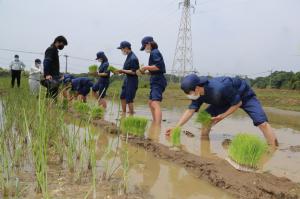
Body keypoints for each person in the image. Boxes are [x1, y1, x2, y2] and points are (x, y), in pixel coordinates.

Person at [166, 74, 278, 147]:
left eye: (189, 93)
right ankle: (204, 145)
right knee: (205, 119)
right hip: (222, 101)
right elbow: (190, 111)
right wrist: (176, 127)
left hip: (244, 95)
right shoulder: (198, 94)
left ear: (196, 88)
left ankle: (273, 147)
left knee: (262, 123)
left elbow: (238, 103)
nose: (189, 96)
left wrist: (222, 116)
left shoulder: (219, 87)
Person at [139, 36, 167, 124]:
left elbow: (158, 67)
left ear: (149, 44)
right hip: (155, 79)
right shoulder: (153, 53)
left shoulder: (155, 52)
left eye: (145, 47)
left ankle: (157, 126)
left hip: (158, 80)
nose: (145, 49)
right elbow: (154, 69)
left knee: (155, 103)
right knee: (150, 103)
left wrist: (145, 67)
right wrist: (146, 72)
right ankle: (155, 121)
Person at [116, 41, 139, 115]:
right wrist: (122, 71)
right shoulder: (128, 56)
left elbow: (134, 72)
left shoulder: (133, 58)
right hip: (127, 79)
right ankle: (123, 113)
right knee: (122, 96)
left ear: (126, 48)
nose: (121, 51)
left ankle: (131, 115)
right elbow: (127, 70)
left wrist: (122, 70)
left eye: (122, 49)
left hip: (132, 80)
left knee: (129, 99)